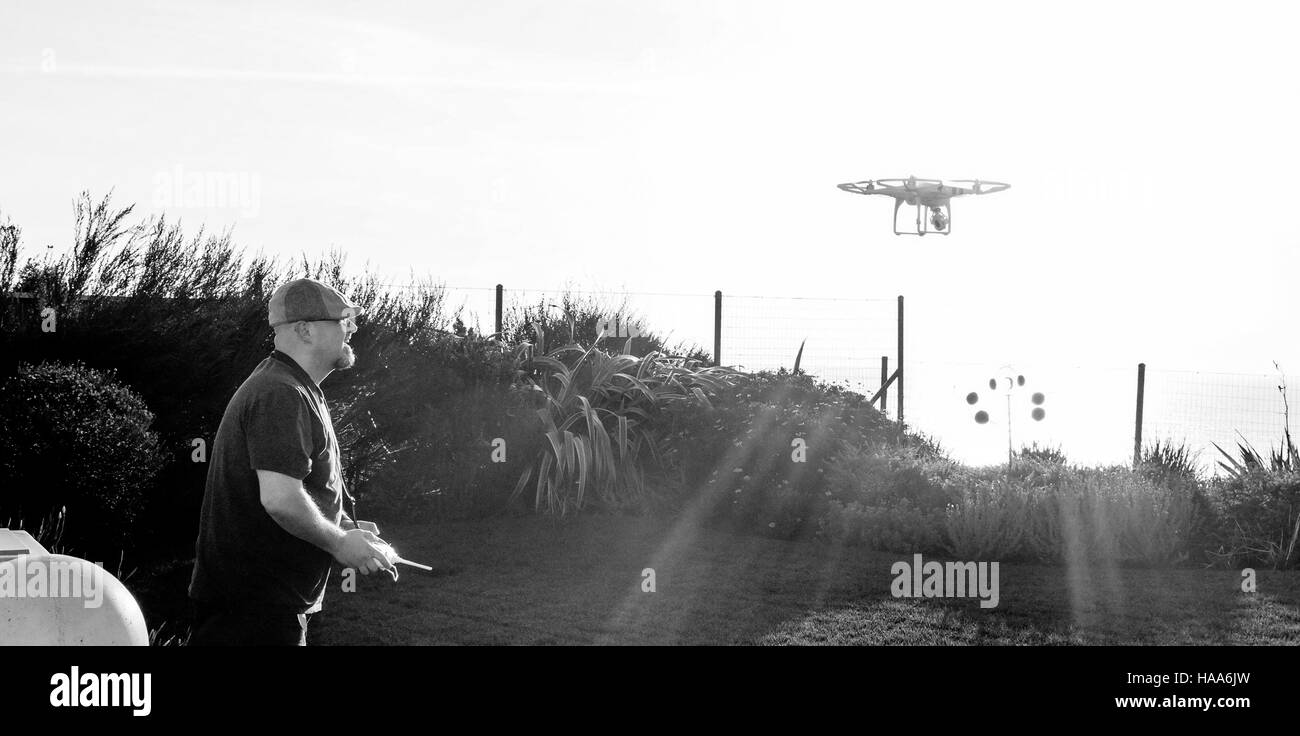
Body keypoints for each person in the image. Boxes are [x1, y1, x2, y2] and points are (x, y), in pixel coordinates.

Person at [188, 277, 395, 645]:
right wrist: (339, 544)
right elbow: (281, 499)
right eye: (343, 320)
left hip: (262, 610)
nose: (353, 329)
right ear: (305, 330)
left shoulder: (294, 387)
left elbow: (301, 487)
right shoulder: (281, 394)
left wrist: (347, 528)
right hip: (251, 617)